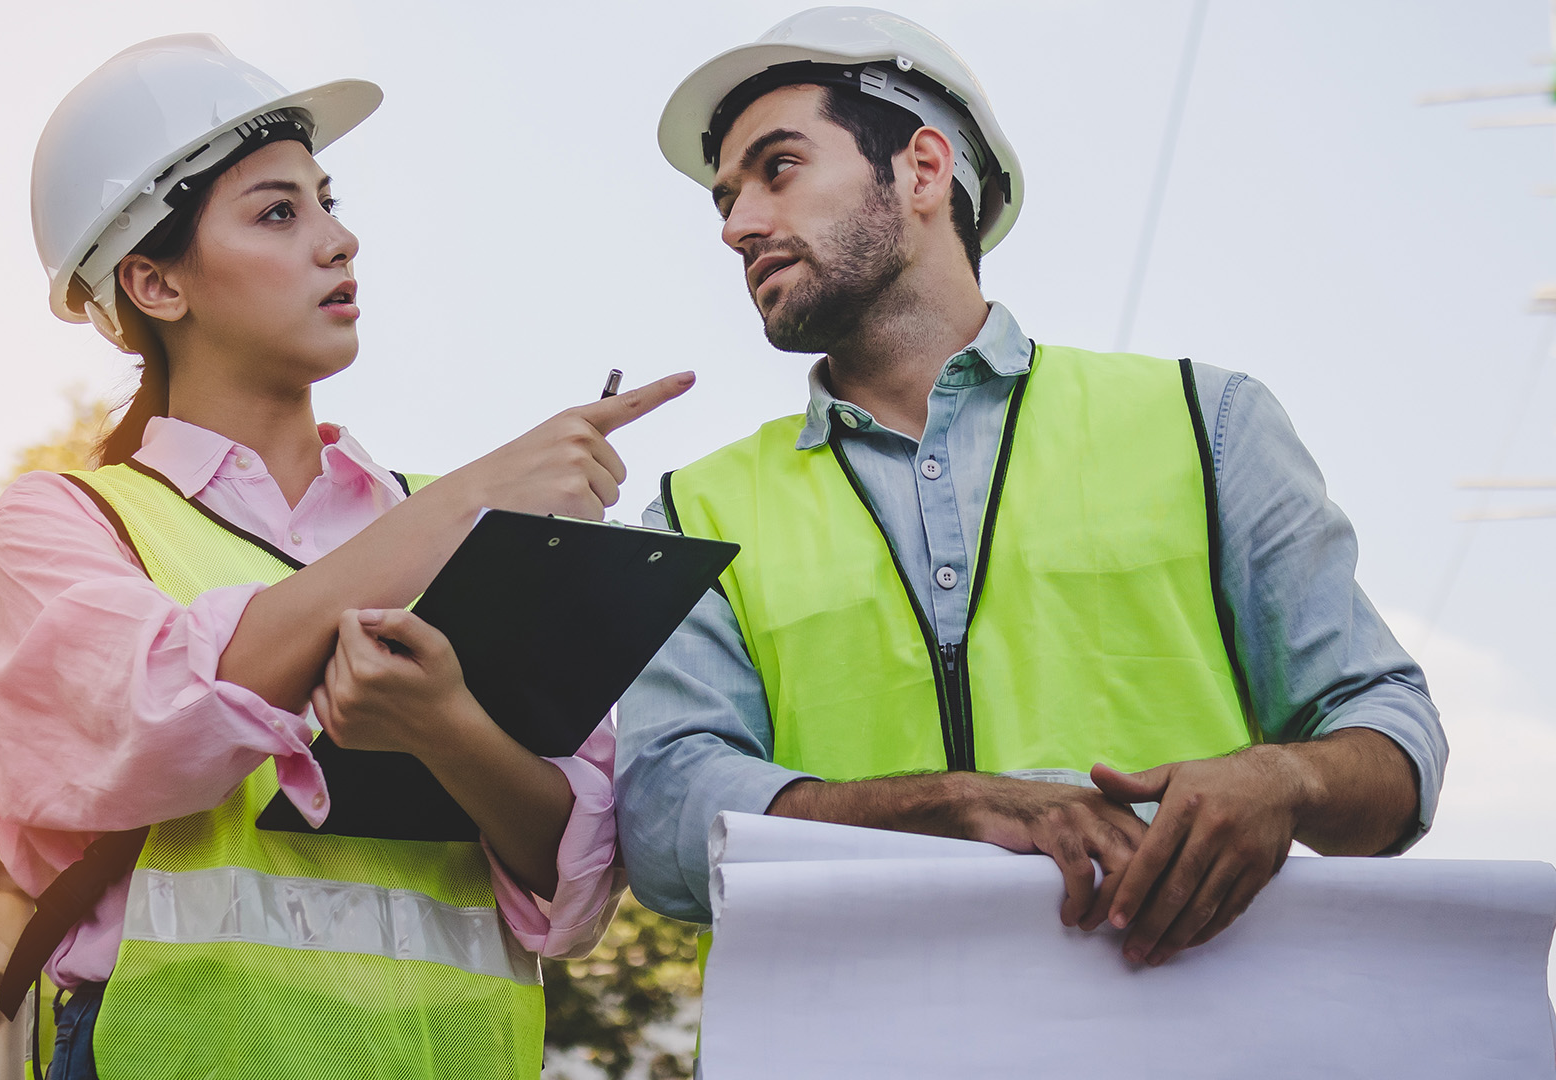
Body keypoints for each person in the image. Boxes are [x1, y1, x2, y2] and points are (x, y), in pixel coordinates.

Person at [617, 6, 1447, 976]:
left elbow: (1392, 743)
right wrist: (947, 803)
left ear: (923, 169)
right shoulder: (696, 508)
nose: (738, 224)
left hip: (1178, 1035)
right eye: (724, 199)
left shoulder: (1203, 422)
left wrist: (1287, 777)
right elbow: (666, 820)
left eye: (779, 167)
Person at [0, 35, 684, 1079]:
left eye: (327, 200)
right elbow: (154, 712)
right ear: (155, 284)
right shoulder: (70, 525)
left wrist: (446, 731)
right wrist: (471, 503)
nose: (340, 240)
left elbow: (576, 884)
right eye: (278, 212)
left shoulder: (438, 521)